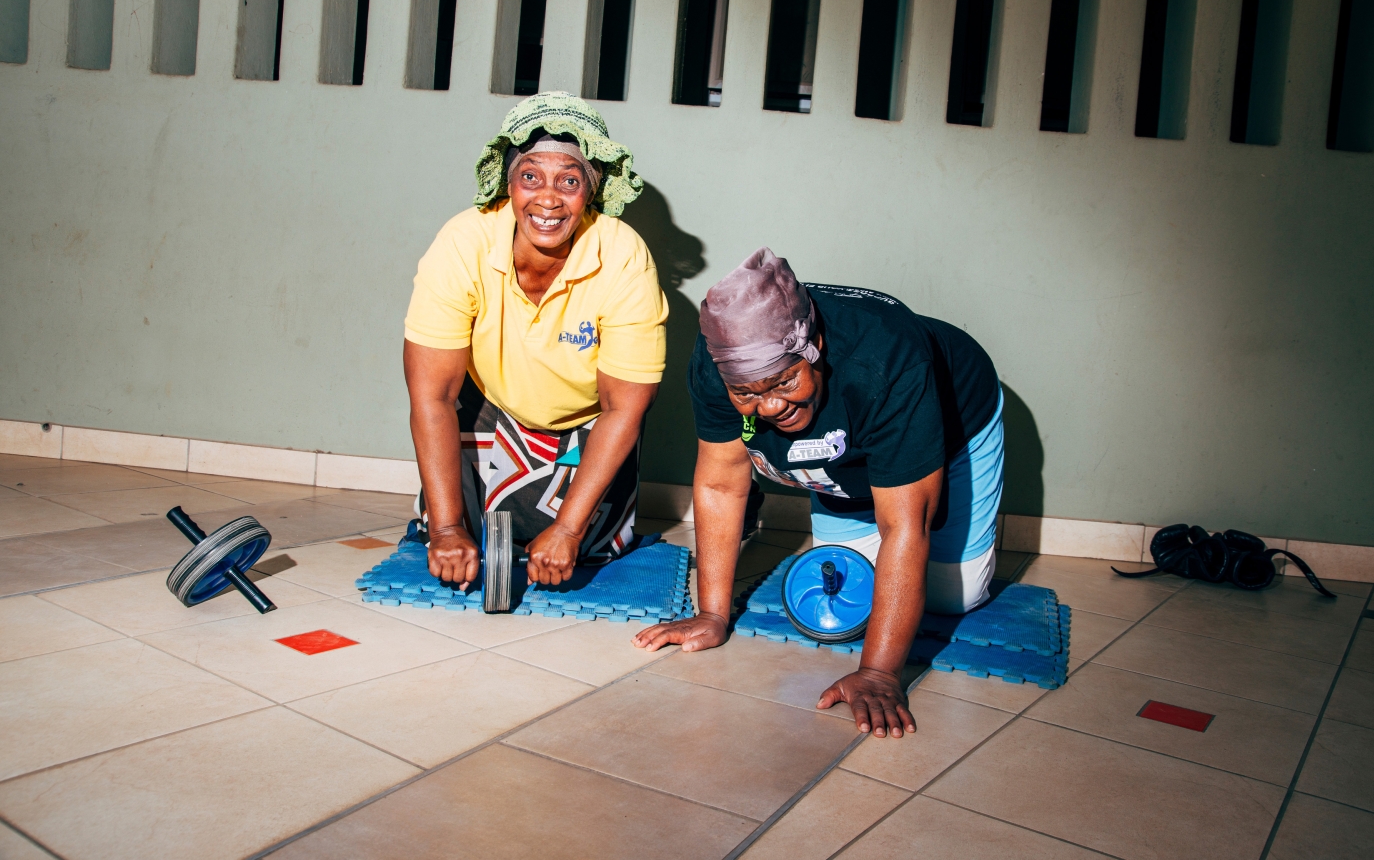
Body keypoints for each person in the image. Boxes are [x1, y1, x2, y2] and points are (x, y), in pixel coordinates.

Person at [633, 248, 1003, 740]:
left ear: (817, 346)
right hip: (839, 445)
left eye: (786, 381)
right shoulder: (715, 364)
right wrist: (712, 614)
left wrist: (879, 673)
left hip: (954, 418)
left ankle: (942, 493)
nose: (768, 406)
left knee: (952, 596)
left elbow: (904, 527)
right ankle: (860, 481)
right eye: (747, 393)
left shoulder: (890, 360)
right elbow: (721, 483)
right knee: (851, 599)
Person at [403, 92, 667, 592]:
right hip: (490, 411)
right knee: (457, 536)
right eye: (530, 177)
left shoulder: (624, 257)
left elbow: (624, 410)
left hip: (586, 424)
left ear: (591, 190)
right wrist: (445, 527)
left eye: (568, 180)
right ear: (508, 183)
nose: (547, 199)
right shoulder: (464, 242)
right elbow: (431, 396)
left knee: (588, 550)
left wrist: (568, 528)